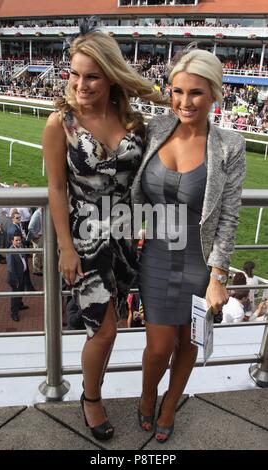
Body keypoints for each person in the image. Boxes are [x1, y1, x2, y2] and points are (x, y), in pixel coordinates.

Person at [42, 19, 165, 441]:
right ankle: (90, 398)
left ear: (110, 77)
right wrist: (65, 247)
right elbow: (57, 187)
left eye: (91, 76)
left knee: (116, 323)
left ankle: (95, 391)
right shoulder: (60, 123)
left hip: (126, 238)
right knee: (105, 328)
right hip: (84, 240)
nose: (80, 84)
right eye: (74, 74)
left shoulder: (133, 121)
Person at [131, 47, 246, 443]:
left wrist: (218, 276)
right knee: (159, 347)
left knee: (189, 342)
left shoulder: (231, 144)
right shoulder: (154, 127)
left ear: (214, 93)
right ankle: (148, 394)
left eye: (195, 92)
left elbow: (229, 216)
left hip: (200, 260)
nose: (183, 101)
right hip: (157, 255)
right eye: (177, 91)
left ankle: (169, 404)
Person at [6, 234, 30, 321]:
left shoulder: (21, 246)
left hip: (22, 275)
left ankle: (20, 305)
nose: (19, 242)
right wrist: (15, 280)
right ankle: (14, 313)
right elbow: (10, 268)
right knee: (15, 296)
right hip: (16, 278)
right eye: (16, 240)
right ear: (12, 241)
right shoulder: (10, 252)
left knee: (21, 292)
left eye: (20, 240)